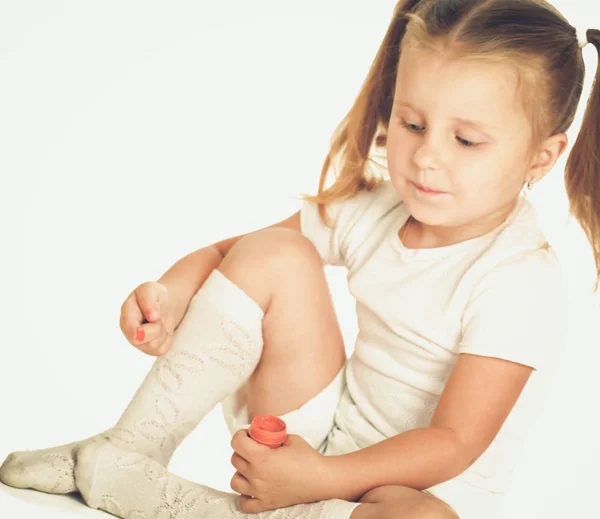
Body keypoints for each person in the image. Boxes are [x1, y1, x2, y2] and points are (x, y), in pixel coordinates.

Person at [1, 1, 598, 518]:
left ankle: (144, 492)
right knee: (277, 252)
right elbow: (231, 252)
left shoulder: (521, 280)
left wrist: (324, 481)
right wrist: (175, 288)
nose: (424, 158)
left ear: (541, 158)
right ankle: (130, 448)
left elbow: (454, 441)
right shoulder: (382, 211)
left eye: (466, 141)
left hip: (414, 490)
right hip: (315, 445)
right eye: (412, 123)